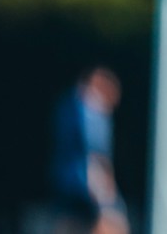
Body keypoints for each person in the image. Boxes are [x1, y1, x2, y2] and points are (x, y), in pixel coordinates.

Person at [48, 66, 129, 234]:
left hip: (65, 179)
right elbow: (95, 150)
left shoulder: (67, 104)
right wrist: (106, 184)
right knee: (115, 221)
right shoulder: (92, 108)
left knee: (70, 222)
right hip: (87, 180)